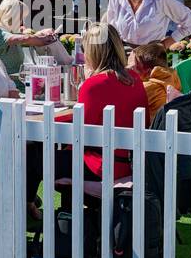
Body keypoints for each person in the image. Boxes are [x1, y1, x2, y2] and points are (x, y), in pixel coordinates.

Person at [41, 22, 147, 206]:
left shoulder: (94, 85)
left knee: (34, 156)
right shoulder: (135, 79)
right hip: (130, 161)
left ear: (92, 51)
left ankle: (27, 205)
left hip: (102, 165)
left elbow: (80, 136)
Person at [0, 0, 62, 87]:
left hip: (17, 86)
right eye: (21, 17)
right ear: (12, 16)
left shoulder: (11, 32)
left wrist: (41, 34)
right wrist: (43, 39)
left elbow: (24, 37)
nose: (22, 21)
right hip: (8, 89)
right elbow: (24, 39)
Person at [128, 40, 182, 123]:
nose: (130, 67)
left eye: (134, 66)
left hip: (150, 132)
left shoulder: (149, 87)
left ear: (148, 71)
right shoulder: (171, 77)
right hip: (168, 126)